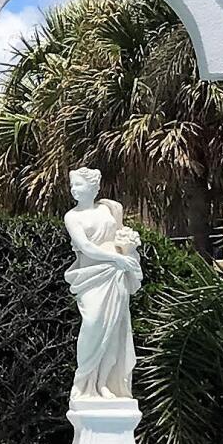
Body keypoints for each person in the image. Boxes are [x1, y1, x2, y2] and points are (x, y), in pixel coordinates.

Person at [63, 166, 142, 401]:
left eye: (77, 185)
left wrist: (129, 250)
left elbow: (119, 237)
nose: (73, 190)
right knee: (94, 322)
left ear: (92, 187)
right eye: (72, 186)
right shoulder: (72, 216)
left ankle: (104, 383)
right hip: (92, 274)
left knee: (114, 331)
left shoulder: (110, 209)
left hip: (115, 273)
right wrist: (117, 258)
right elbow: (86, 247)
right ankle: (84, 380)